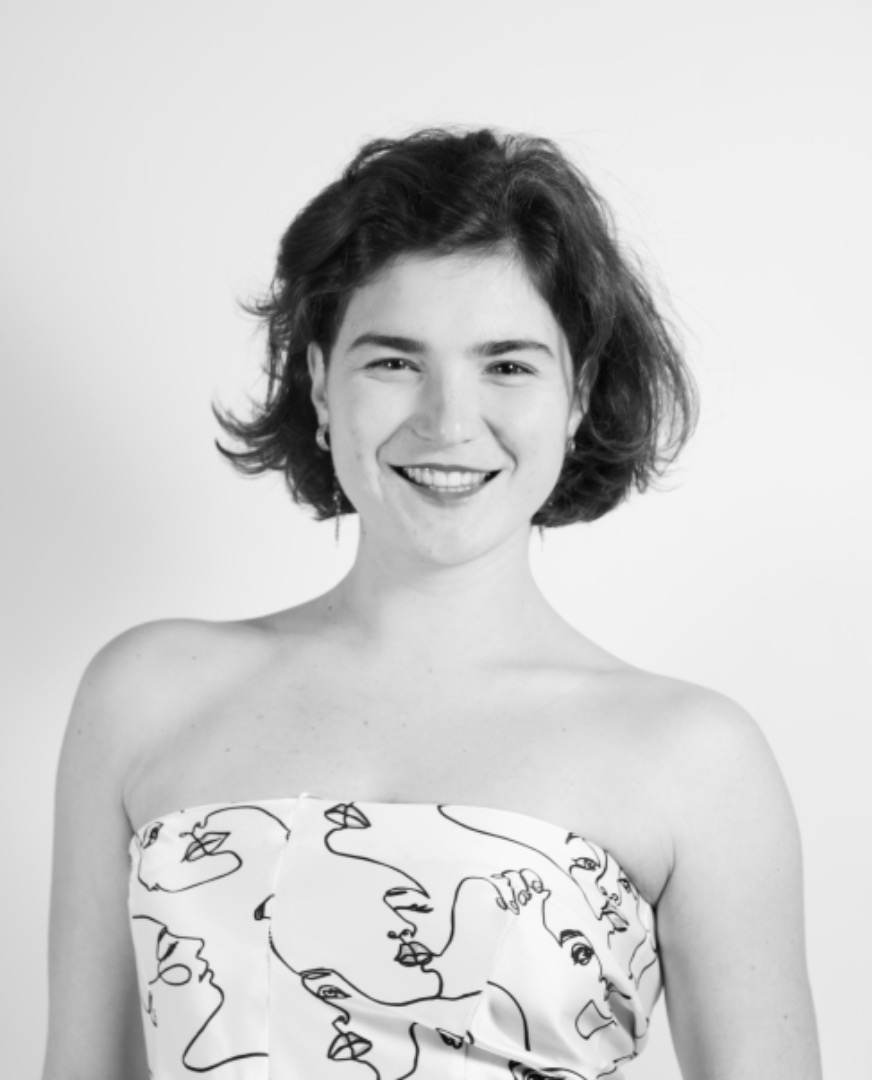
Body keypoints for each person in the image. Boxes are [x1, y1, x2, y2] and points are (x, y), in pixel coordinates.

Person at [42, 127, 822, 1079]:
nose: (449, 422)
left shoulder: (697, 758)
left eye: (508, 365)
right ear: (320, 383)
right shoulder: (146, 694)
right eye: (394, 362)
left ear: (578, 396)